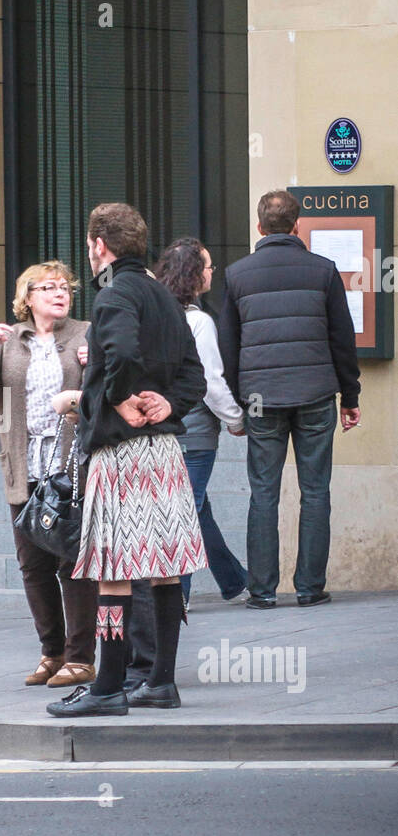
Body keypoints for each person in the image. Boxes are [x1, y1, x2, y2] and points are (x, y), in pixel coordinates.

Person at [46, 203, 208, 717]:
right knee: (162, 569)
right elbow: (193, 375)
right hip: (163, 450)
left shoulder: (115, 294)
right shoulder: (164, 294)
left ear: (99, 245)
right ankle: (161, 683)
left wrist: (117, 398)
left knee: (113, 572)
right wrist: (169, 402)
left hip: (119, 451)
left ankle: (109, 688)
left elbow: (119, 352)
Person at [0, 262, 99, 688]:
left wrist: (97, 361)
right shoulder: (9, 341)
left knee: (73, 560)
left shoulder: (87, 333)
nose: (59, 293)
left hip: (71, 465)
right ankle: (52, 652)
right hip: (24, 464)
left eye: (64, 287)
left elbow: (111, 383)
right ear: (26, 298)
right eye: (47, 287)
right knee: (33, 564)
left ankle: (81, 657)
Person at [218, 189, 361, 608]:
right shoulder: (323, 270)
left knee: (263, 492)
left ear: (259, 227)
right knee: (316, 491)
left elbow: (229, 347)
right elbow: (342, 340)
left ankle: (262, 591)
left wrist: (239, 401)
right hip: (316, 394)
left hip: (262, 399)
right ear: (297, 226)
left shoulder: (237, 274)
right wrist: (349, 396)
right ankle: (309, 587)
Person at [155, 236, 247, 606]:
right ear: (194, 275)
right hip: (194, 435)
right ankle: (178, 597)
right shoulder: (199, 322)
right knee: (186, 511)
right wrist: (236, 419)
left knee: (196, 506)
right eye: (207, 266)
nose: (211, 272)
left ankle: (235, 581)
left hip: (162, 431)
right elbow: (210, 382)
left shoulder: (155, 316)